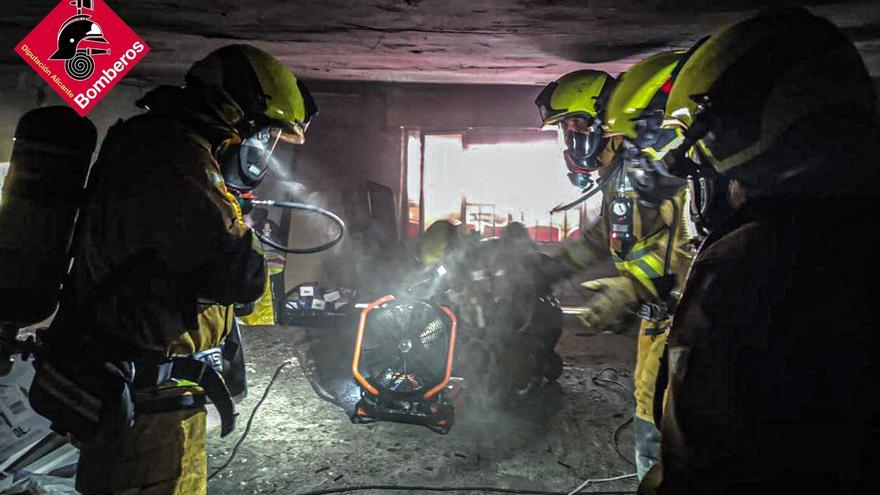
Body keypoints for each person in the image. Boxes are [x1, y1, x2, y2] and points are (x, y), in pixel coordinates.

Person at [32, 44, 318, 494]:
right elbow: (239, 277)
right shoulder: (176, 157)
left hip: (154, 393)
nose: (263, 147)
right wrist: (239, 223)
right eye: (263, 134)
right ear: (233, 116)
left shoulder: (161, 145)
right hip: (138, 397)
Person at [640, 8, 879, 494]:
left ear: (743, 136)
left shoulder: (743, 270)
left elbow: (703, 463)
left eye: (701, 152)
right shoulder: (856, 230)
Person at [598, 50, 702, 479]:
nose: (639, 152)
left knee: (671, 438)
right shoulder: (683, 188)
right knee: (651, 420)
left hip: (684, 339)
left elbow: (692, 259)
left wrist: (635, 287)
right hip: (660, 333)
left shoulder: (708, 191)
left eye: (647, 135)